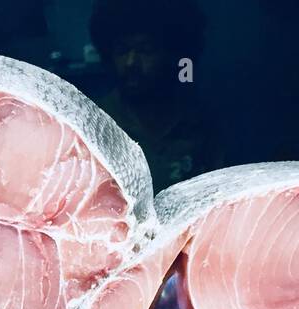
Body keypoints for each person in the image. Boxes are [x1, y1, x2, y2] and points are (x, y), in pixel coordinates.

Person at [87, 0, 224, 187]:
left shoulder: (197, 120)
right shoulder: (96, 123)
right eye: (122, 50)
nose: (130, 62)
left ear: (172, 55)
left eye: (146, 50)